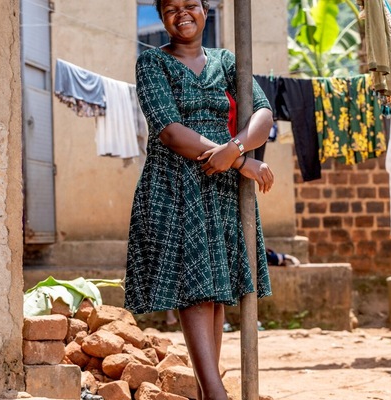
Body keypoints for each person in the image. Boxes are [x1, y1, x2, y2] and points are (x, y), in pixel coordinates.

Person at [124, 0, 274, 399]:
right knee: (196, 287)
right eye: (171, 8)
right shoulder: (152, 64)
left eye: (191, 4)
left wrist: (236, 148)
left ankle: (211, 393)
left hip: (221, 188)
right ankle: (216, 393)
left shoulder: (226, 61)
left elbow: (262, 113)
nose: (182, 13)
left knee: (216, 287)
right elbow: (169, 130)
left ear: (206, 11)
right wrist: (239, 160)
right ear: (161, 17)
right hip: (174, 184)